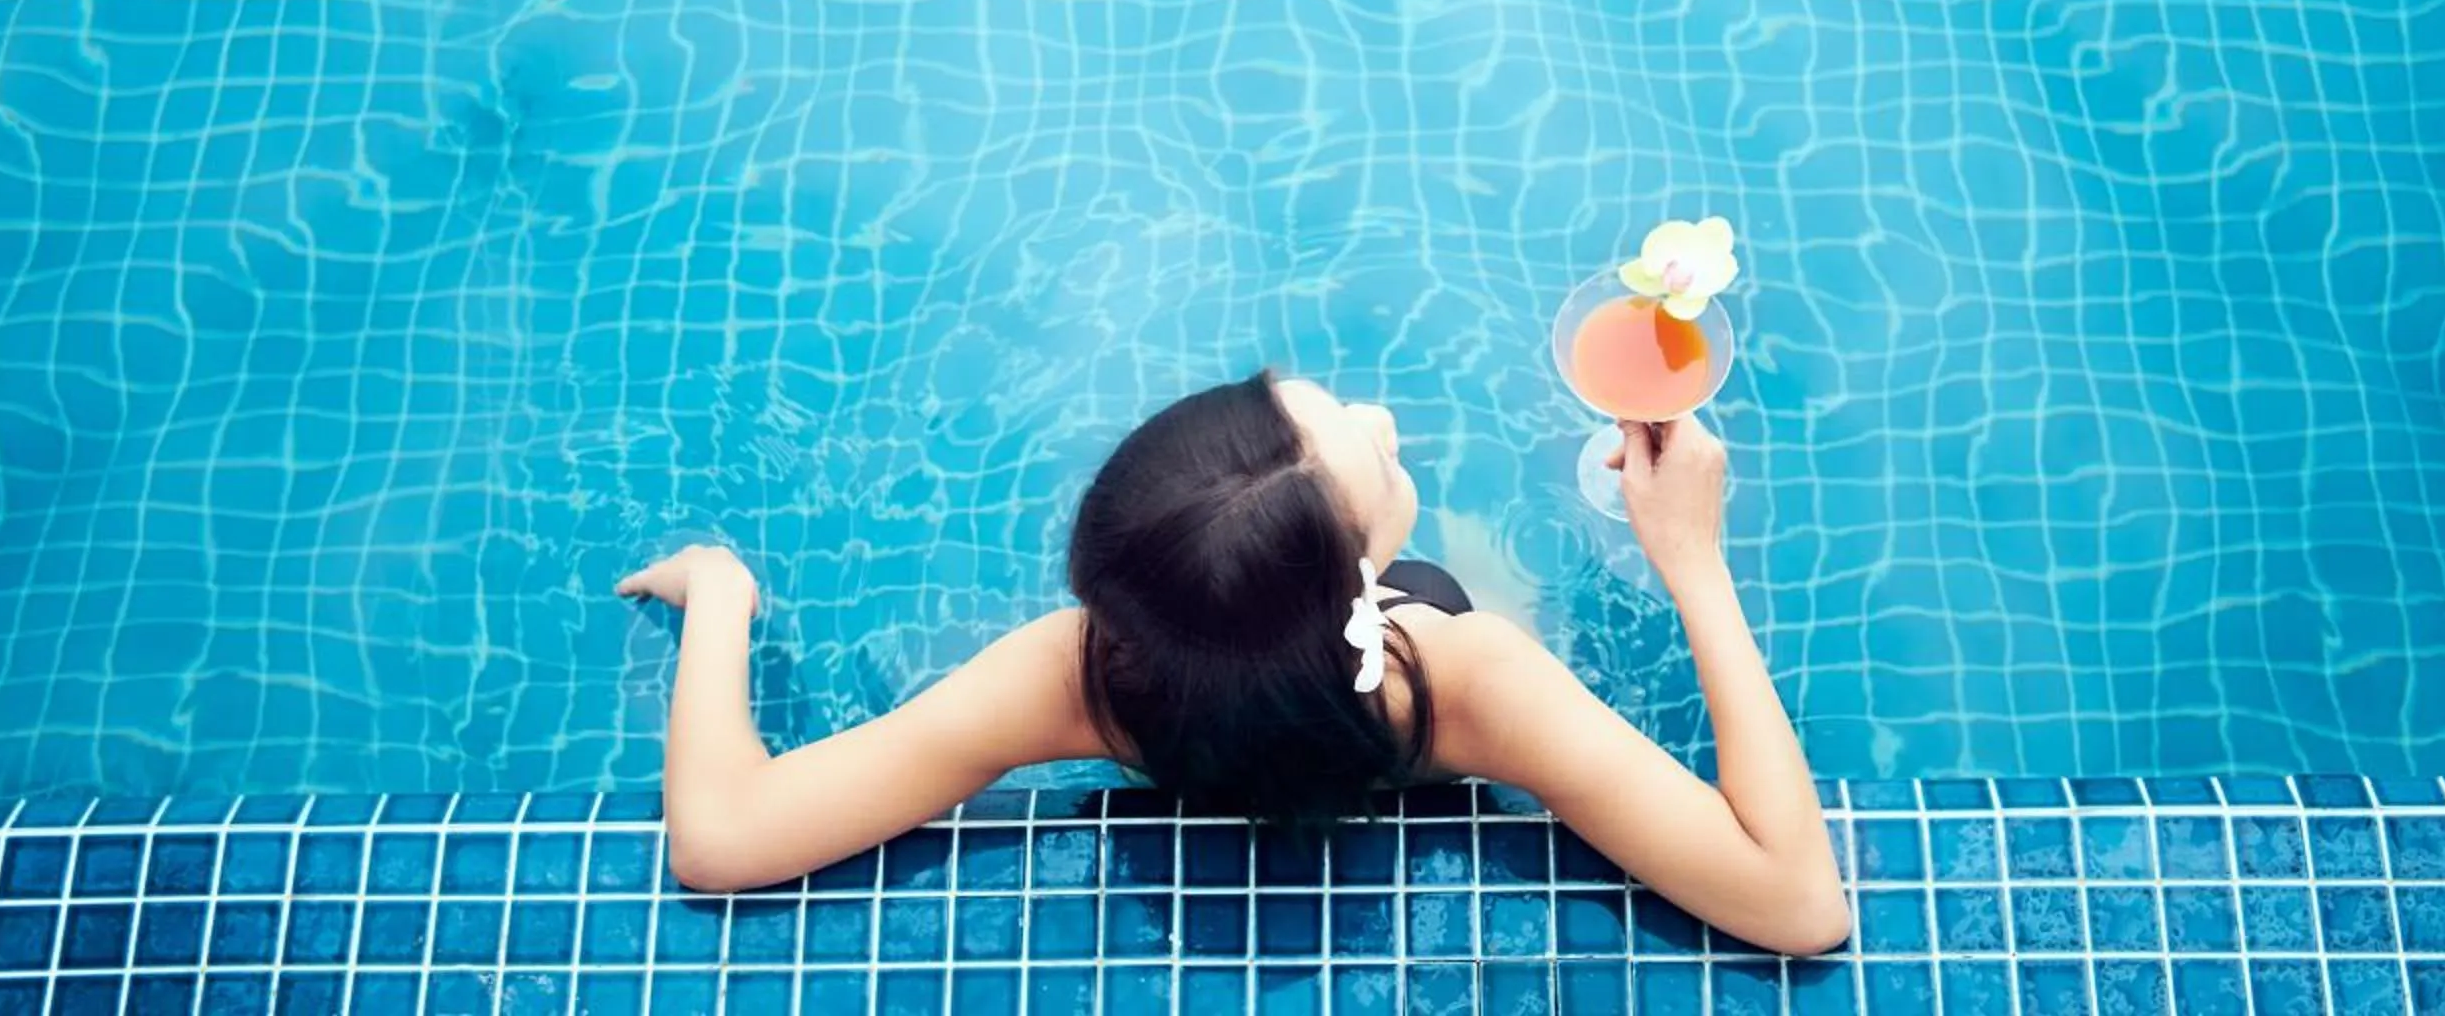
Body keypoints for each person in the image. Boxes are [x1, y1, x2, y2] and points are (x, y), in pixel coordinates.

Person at [616, 372, 1850, 954]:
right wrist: (1691, 557)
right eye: (1371, 465)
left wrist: (720, 596)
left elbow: (724, 836)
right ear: (1360, 597)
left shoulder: (1078, 672)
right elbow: (1800, 904)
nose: (1381, 418)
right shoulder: (1471, 681)